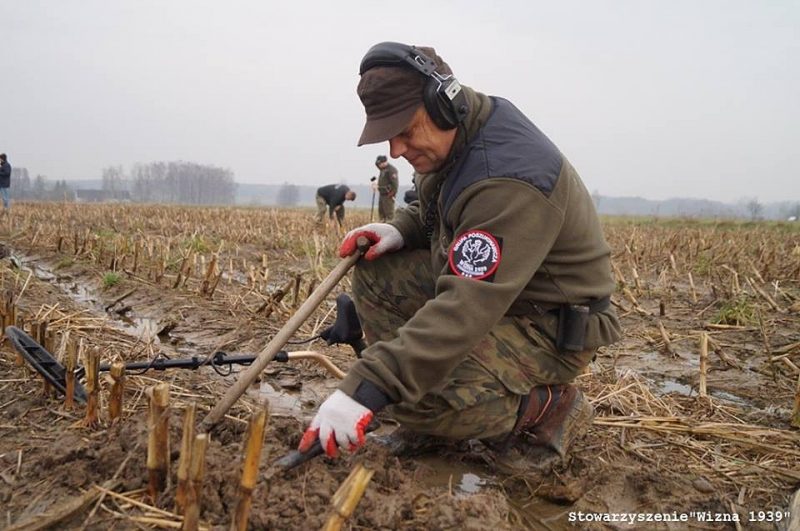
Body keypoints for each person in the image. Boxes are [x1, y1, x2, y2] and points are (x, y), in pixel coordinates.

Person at [298, 42, 622, 473]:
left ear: (442, 104)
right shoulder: (459, 137)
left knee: (412, 402)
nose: (396, 150)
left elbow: (463, 309)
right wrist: (401, 228)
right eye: (388, 136)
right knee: (380, 273)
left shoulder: (509, 178)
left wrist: (370, 387)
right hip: (504, 297)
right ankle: (429, 420)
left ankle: (547, 409)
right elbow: (438, 209)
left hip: (550, 323)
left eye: (404, 131)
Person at [373, 155, 398, 221]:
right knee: (381, 213)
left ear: (384, 162)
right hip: (382, 194)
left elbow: (395, 184)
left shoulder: (391, 170)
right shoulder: (382, 169)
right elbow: (376, 165)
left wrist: (392, 193)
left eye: (380, 164)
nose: (379, 165)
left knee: (389, 214)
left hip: (388, 195)